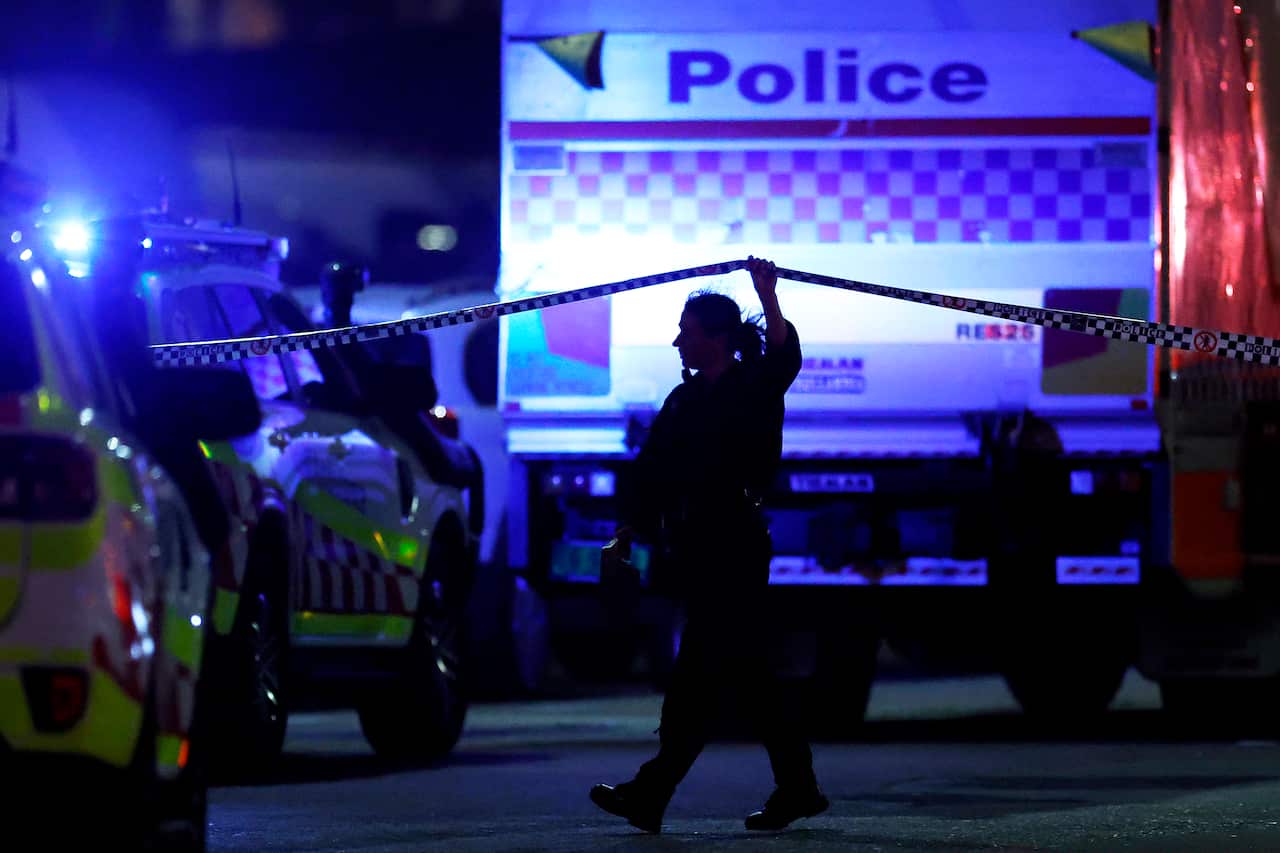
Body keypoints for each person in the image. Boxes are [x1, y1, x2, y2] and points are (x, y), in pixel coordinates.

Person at [589, 256, 828, 833]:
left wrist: (767, 295)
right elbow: (653, 471)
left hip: (736, 546)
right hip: (697, 549)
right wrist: (629, 526)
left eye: (686, 332)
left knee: (699, 675)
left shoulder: (755, 387)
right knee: (748, 675)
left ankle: (652, 792)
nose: (676, 341)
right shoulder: (683, 400)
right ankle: (797, 788)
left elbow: (784, 357)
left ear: (715, 339)